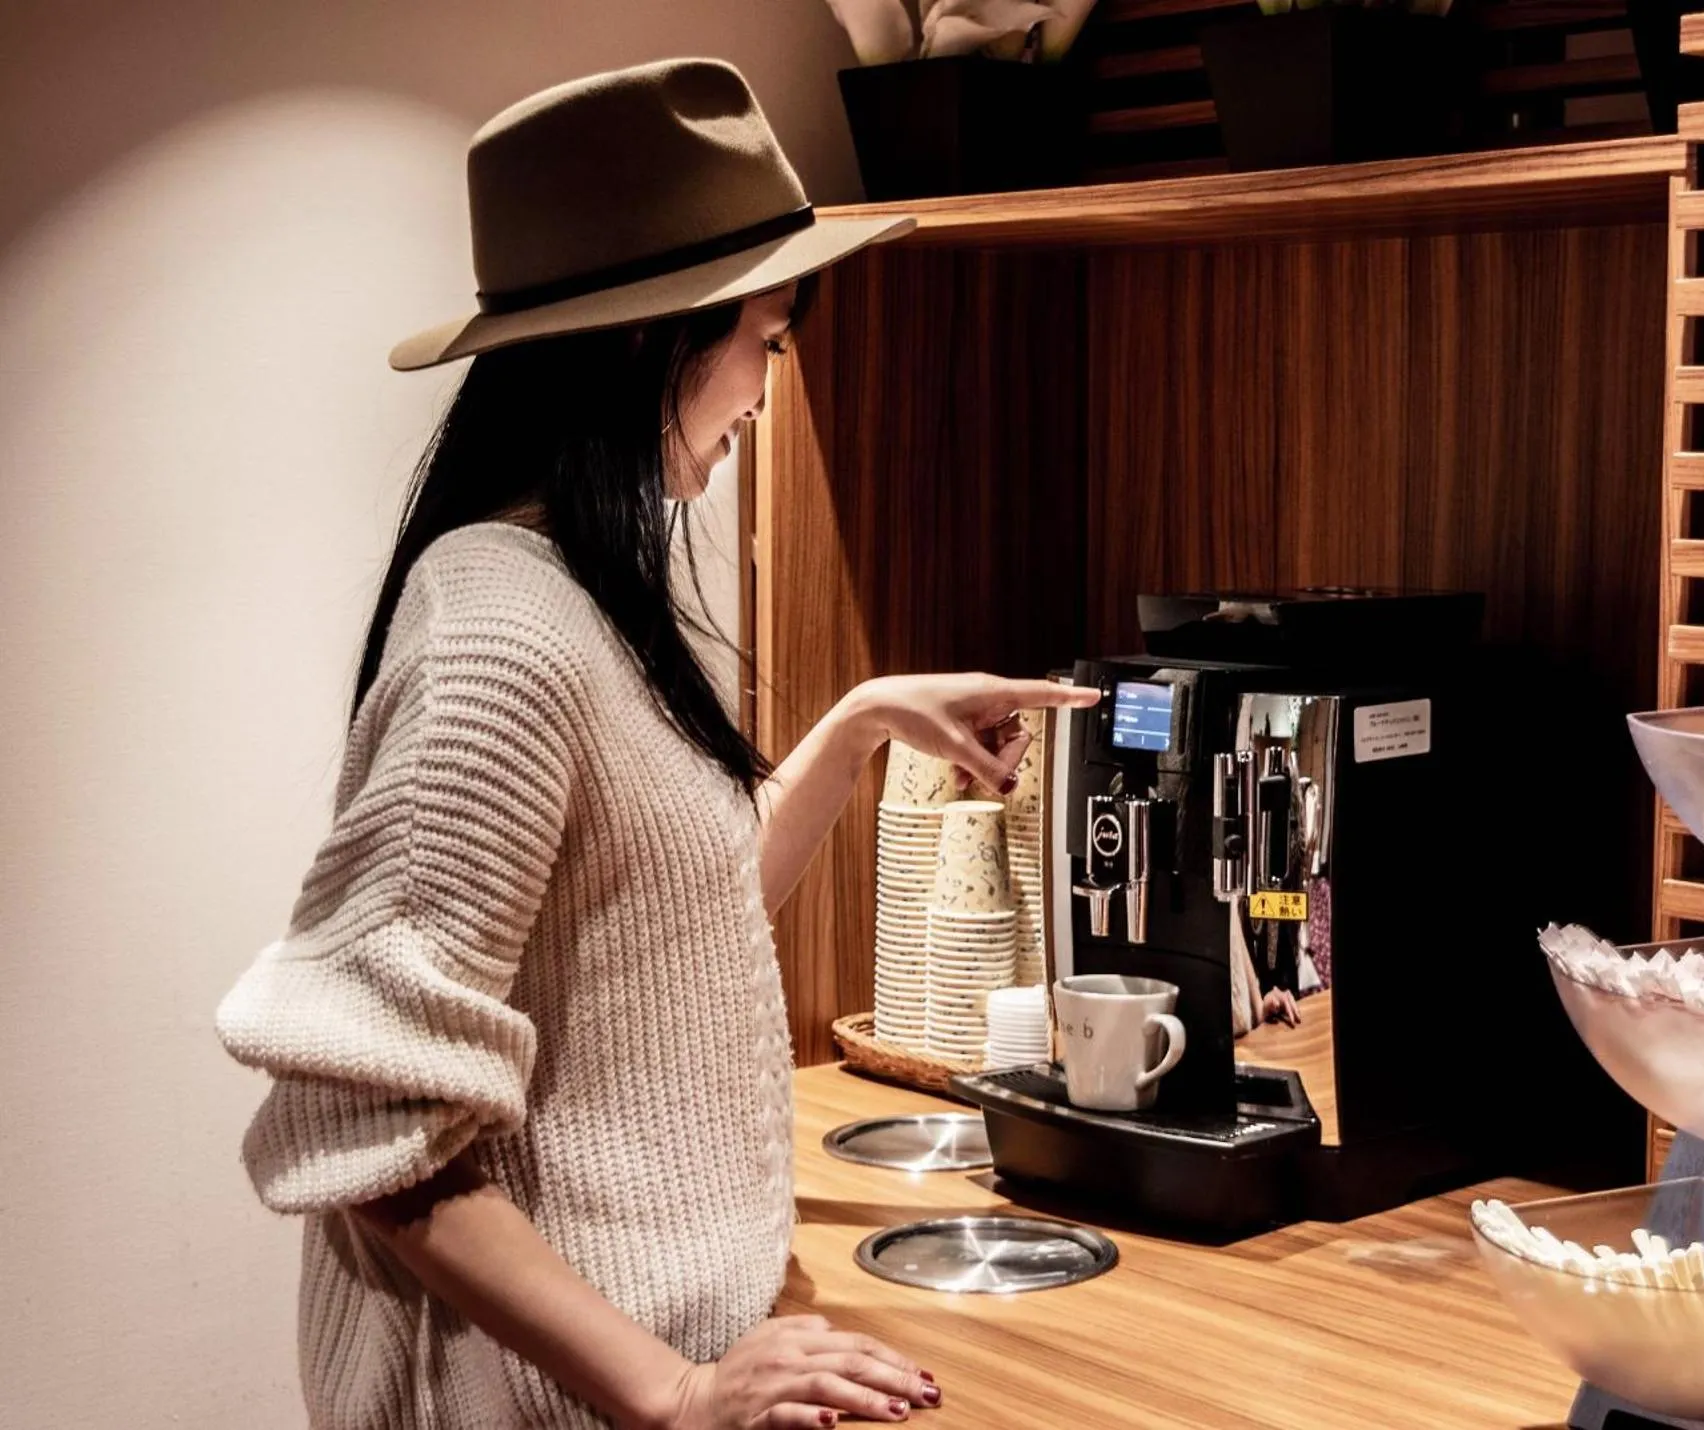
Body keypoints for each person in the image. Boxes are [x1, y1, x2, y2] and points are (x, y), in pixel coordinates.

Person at [215, 58, 1098, 1430]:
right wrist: (673, 1389)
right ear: (649, 342)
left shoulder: (575, 590)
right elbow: (368, 1126)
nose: (766, 385)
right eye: (765, 336)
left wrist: (863, 723)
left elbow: (667, 938)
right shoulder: (502, 635)